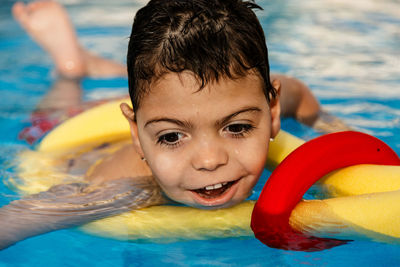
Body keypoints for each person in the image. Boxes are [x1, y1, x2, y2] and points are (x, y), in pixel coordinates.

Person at [0, 0, 347, 250]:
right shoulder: (124, 188)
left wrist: (326, 125)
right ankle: (71, 66)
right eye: (171, 137)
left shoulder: (259, 96)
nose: (209, 160)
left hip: (161, 102)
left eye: (237, 128)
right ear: (138, 135)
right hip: (71, 140)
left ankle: (92, 67)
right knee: (59, 106)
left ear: (271, 114)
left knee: (162, 88)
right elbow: (18, 220)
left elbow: (298, 94)